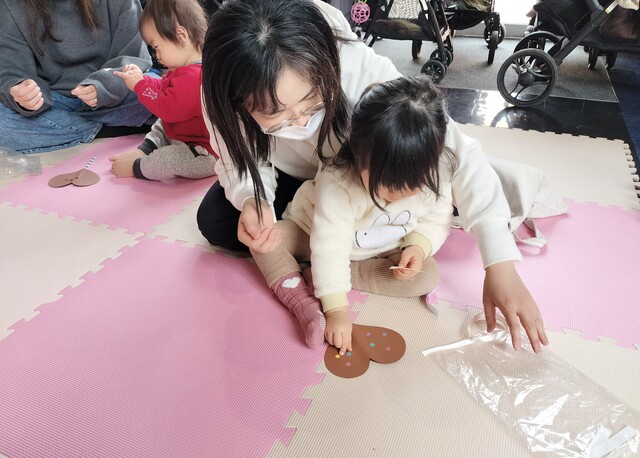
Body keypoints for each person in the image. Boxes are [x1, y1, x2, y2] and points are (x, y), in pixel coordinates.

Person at [198, 0, 549, 353]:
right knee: (219, 220)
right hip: (312, 181)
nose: (301, 121)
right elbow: (237, 157)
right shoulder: (223, 89)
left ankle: (339, 255)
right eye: (277, 114)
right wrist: (253, 197)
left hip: (367, 172)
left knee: (431, 185)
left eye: (311, 101)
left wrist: (500, 264)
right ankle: (318, 267)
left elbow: (453, 150)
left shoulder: (356, 67)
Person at [251, 76, 455, 353]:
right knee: (261, 238)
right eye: (386, 185)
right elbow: (329, 246)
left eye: (412, 186)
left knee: (426, 276)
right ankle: (301, 300)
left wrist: (418, 248)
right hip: (313, 236)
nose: (395, 195)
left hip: (383, 249)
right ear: (357, 154)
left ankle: (319, 277)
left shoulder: (439, 173)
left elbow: (437, 218)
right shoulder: (338, 180)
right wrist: (336, 310)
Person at [0, 0, 156, 154]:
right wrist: (20, 90)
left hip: (114, 95)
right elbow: (11, 68)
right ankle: (105, 128)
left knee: (157, 91)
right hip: (54, 101)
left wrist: (105, 85)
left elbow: (133, 57)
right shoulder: (10, 5)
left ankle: (65, 129)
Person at [109, 0, 218, 181]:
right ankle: (147, 149)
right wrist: (143, 79)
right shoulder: (184, 68)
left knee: (168, 157)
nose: (157, 56)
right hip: (184, 137)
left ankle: (139, 166)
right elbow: (164, 87)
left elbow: (167, 108)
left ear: (181, 35)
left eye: (157, 47)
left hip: (203, 153)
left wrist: (139, 86)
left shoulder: (197, 76)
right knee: (161, 125)